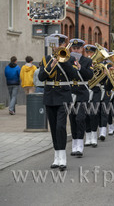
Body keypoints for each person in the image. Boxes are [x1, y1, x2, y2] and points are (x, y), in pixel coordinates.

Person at [38, 34, 79, 170]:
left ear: (62, 45)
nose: (57, 47)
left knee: (61, 126)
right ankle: (56, 156)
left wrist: (63, 61)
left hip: (63, 95)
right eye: (54, 44)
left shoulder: (70, 58)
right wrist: (52, 64)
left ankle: (63, 158)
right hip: (50, 95)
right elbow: (41, 77)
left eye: (59, 44)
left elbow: (74, 75)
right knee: (54, 127)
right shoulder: (46, 60)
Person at [68, 39, 94, 157]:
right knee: (72, 119)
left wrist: (79, 67)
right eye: (74, 48)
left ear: (82, 49)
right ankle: (74, 145)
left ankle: (80, 145)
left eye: (78, 48)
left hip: (82, 93)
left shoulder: (87, 61)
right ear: (71, 49)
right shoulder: (67, 60)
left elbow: (89, 75)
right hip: (70, 92)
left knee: (80, 118)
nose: (76, 50)